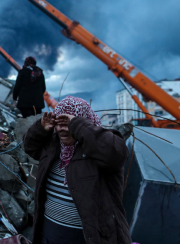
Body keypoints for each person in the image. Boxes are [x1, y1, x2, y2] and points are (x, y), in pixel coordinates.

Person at [23, 96, 131, 244]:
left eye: (67, 123)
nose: (62, 128)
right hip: (48, 235)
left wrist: (77, 125)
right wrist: (41, 128)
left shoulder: (99, 146)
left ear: (83, 121)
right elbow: (30, 147)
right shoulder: (54, 146)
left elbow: (115, 154)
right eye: (58, 123)